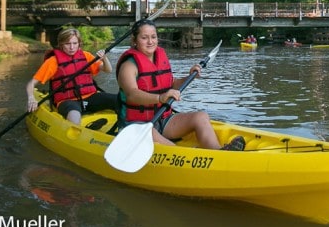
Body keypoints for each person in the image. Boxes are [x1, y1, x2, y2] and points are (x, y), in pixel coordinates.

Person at [115, 19, 245, 151]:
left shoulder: (160, 57)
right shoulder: (129, 65)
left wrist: (189, 77)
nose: (150, 42)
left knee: (201, 117)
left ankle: (219, 151)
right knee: (150, 134)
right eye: (144, 38)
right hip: (137, 125)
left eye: (153, 37)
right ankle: (186, 155)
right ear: (134, 40)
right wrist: (160, 98)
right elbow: (132, 94)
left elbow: (172, 84)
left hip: (163, 119)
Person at [25, 28, 116, 125]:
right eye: (67, 44)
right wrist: (31, 98)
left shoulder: (86, 56)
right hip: (67, 101)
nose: (72, 47)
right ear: (61, 45)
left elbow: (108, 70)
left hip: (91, 96)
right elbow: (31, 84)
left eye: (75, 43)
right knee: (74, 115)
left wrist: (105, 59)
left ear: (79, 43)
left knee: (118, 100)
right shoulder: (53, 61)